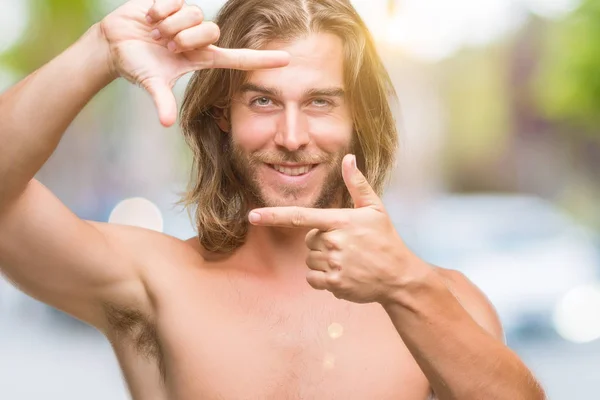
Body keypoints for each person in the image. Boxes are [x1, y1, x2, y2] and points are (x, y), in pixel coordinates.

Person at [0, 0, 546, 399]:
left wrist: (405, 287)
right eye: (262, 101)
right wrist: (97, 52)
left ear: (359, 122)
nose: (290, 135)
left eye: (320, 102)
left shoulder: (443, 299)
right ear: (224, 116)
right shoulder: (154, 281)